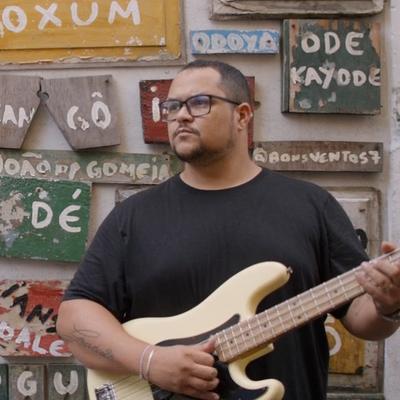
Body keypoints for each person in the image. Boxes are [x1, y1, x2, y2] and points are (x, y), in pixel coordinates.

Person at [57, 60, 400, 400]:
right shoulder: (133, 216)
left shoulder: (311, 205)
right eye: (172, 106)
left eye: (199, 102)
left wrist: (389, 306)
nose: (181, 116)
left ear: (242, 116)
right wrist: (150, 361)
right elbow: (74, 317)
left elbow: (359, 316)